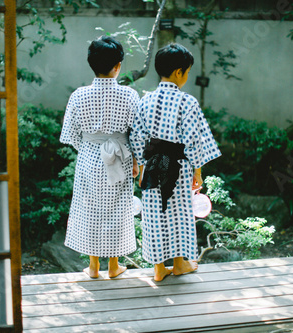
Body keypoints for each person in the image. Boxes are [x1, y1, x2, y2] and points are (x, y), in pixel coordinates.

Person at [130, 43, 221, 282]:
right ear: (179, 72)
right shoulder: (187, 102)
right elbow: (194, 140)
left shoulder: (145, 101)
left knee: (154, 214)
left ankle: (159, 269)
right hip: (178, 167)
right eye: (187, 72)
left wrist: (140, 164)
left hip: (152, 165)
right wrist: (197, 171)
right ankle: (180, 264)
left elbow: (137, 136)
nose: (187, 76)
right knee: (180, 213)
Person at [60, 36, 140, 278]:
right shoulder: (129, 95)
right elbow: (137, 135)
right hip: (120, 158)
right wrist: (136, 162)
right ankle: (114, 266)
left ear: (90, 63)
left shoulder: (78, 95)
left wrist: (90, 149)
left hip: (88, 159)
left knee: (90, 210)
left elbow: (71, 136)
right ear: (118, 66)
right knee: (117, 210)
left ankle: (93, 266)